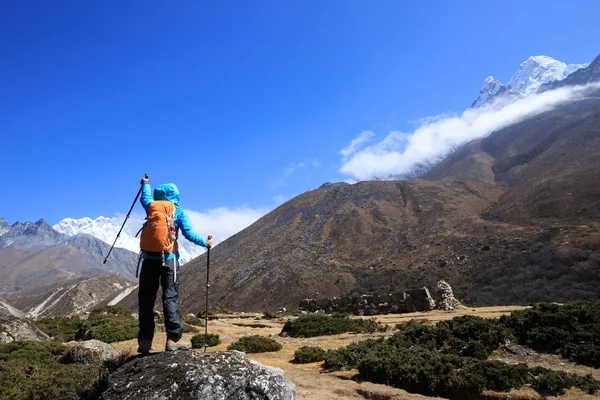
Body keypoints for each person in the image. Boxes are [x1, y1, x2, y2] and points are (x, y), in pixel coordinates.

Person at [137, 176, 211, 353]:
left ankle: (145, 342)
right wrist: (206, 243)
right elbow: (190, 234)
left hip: (148, 260)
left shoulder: (151, 207)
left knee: (146, 301)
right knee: (169, 297)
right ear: (175, 195)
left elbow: (144, 197)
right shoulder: (178, 211)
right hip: (169, 260)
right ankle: (172, 340)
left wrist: (145, 184)